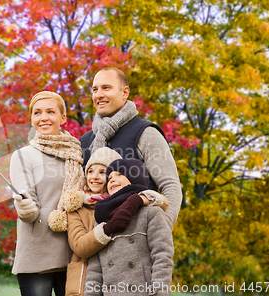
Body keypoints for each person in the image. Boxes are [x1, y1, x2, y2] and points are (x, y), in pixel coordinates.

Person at [80, 67, 182, 228]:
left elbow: (170, 186)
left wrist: (159, 231)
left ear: (125, 92)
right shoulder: (85, 141)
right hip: (92, 242)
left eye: (106, 88)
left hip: (135, 240)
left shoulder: (145, 132)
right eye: (95, 89)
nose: (99, 94)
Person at [63, 147, 169, 296]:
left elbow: (162, 256)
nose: (112, 178)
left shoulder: (150, 211)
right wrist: (110, 227)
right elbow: (95, 269)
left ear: (135, 178)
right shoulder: (101, 217)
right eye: (110, 176)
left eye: (119, 174)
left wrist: (159, 292)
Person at [10, 90, 85, 296]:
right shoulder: (23, 156)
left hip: (74, 253)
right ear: (31, 119)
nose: (44, 117)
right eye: (37, 113)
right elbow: (30, 212)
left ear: (62, 117)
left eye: (50, 112)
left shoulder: (76, 153)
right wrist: (24, 207)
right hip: (37, 253)